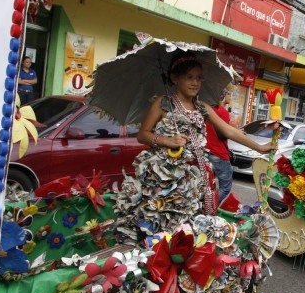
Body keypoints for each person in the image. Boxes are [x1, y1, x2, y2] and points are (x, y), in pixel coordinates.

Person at [116, 51, 273, 234]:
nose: (195, 82)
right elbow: (142, 135)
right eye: (189, 77)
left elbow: (228, 130)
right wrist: (168, 140)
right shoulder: (162, 103)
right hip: (166, 177)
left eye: (199, 78)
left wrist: (260, 148)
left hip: (196, 177)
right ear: (175, 78)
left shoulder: (202, 107)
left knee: (191, 224)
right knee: (162, 222)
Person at [205, 90, 233, 203]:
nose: (230, 97)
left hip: (207, 151)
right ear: (223, 96)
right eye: (229, 94)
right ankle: (209, 207)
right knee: (225, 187)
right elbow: (224, 133)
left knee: (208, 184)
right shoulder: (223, 112)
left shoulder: (208, 111)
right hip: (219, 153)